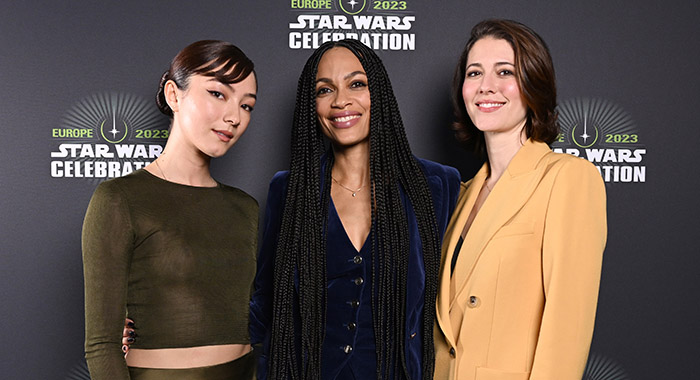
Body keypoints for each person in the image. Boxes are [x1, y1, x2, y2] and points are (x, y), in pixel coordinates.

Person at [248, 39, 461, 380]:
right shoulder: (289, 190)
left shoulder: (436, 185)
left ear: (379, 94)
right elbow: (265, 302)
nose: (340, 101)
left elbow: (462, 301)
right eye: (324, 90)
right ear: (311, 105)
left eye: (356, 84)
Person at [433, 19, 607, 380]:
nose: (486, 87)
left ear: (533, 84)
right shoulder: (461, 193)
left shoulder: (567, 178)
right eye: (474, 73)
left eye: (504, 72)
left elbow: (567, 327)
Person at [82, 40, 258, 380]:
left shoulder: (245, 208)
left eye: (247, 106)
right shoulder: (119, 199)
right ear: (174, 95)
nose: (234, 116)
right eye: (218, 94)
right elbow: (102, 346)